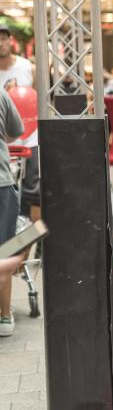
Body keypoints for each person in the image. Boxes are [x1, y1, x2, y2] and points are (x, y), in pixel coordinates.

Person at [0, 23, 39, 221]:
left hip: (30, 138)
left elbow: (40, 99)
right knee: (7, 189)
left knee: (33, 189)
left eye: (3, 38)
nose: (0, 43)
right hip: (4, 141)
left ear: (10, 41)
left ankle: (33, 232)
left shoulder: (27, 67)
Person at [0, 88, 24, 337]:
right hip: (1, 184)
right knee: (4, 250)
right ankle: (4, 315)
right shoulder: (1, 93)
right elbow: (16, 131)